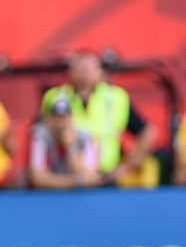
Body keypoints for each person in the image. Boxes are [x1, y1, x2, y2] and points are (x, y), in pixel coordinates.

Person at [41, 51, 156, 184]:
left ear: (100, 73)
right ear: (70, 72)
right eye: (79, 67)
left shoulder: (116, 97)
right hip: (67, 177)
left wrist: (128, 166)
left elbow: (147, 132)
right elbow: (41, 134)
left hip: (107, 176)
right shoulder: (57, 97)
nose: (84, 72)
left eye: (89, 68)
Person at [28, 94, 100, 189]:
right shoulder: (41, 136)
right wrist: (75, 181)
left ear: (72, 117)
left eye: (65, 116)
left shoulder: (85, 137)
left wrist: (71, 147)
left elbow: (91, 178)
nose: (61, 122)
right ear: (48, 118)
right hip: (48, 196)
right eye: (56, 117)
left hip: (79, 197)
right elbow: (37, 178)